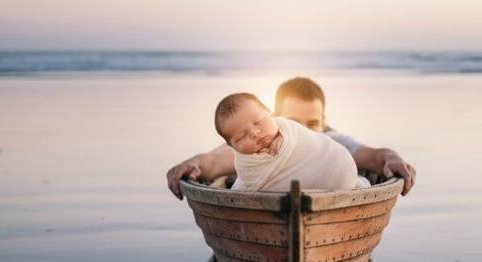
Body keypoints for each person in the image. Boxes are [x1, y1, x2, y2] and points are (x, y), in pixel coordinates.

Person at [166, 77, 416, 198]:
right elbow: (214, 161)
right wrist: (193, 164)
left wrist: (393, 159)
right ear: (276, 118)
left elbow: (375, 157)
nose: (304, 130)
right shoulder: (257, 149)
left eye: (313, 123)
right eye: (294, 122)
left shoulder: (332, 144)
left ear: (324, 119)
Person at [214, 92, 367, 192]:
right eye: (241, 137)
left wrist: (286, 142)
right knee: (236, 191)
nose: (254, 133)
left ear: (271, 114)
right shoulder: (245, 164)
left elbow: (308, 141)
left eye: (259, 122)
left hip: (332, 172)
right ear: (232, 146)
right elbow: (247, 182)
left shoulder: (290, 131)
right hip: (276, 195)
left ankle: (352, 182)